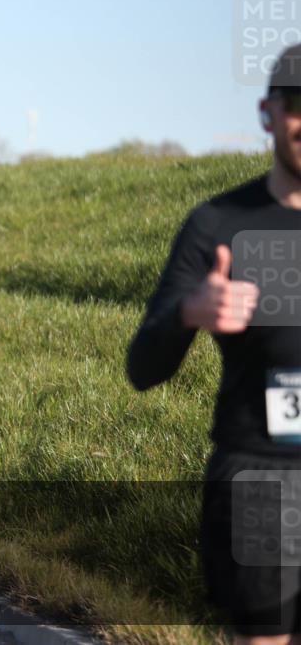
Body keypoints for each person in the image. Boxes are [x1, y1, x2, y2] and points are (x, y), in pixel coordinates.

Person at [128, 44, 301, 644]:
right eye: (297, 103)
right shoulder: (219, 224)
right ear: (267, 113)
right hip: (263, 478)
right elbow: (143, 366)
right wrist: (189, 312)